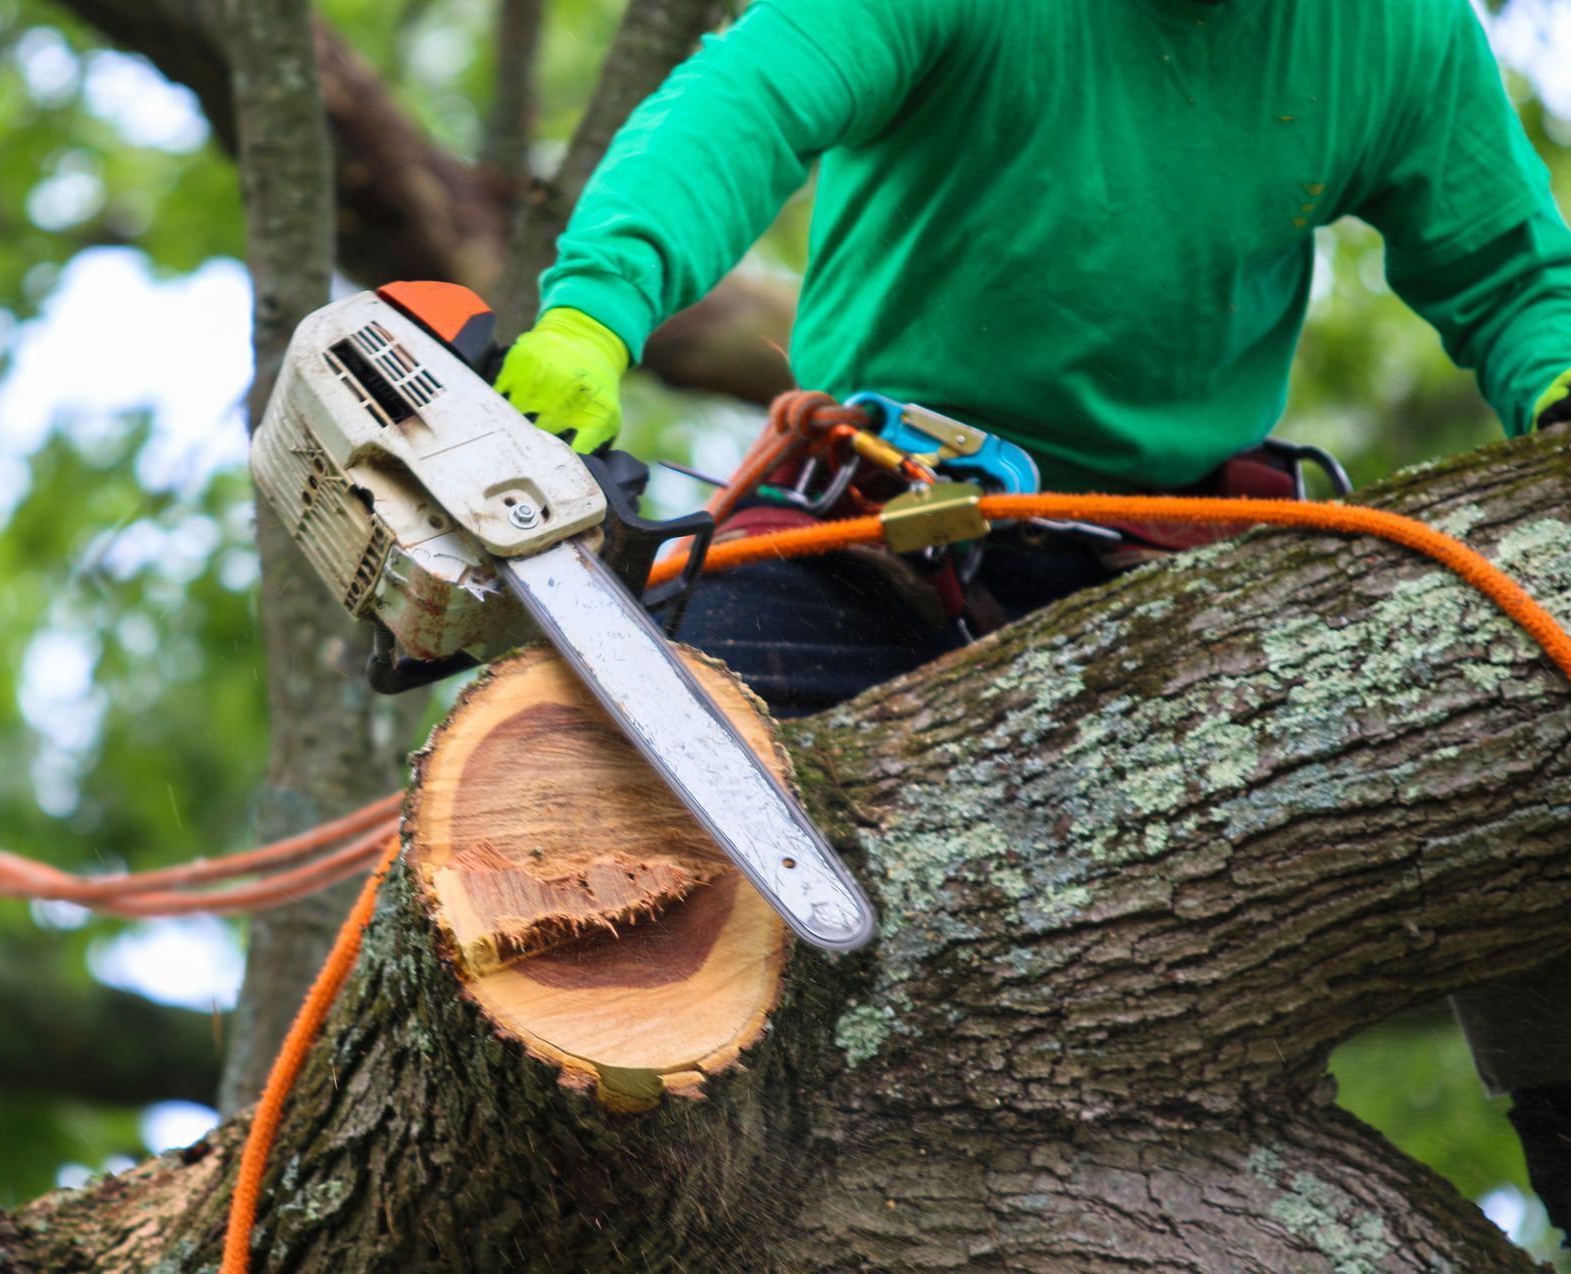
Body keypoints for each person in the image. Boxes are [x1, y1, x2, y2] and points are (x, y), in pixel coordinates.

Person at [494, 0, 1571, 1238]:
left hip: (1184, 590)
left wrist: (1557, 377)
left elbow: (1509, 269)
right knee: (616, 818)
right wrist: (597, 307)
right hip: (864, 548)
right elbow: (745, 102)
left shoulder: (1390, 31)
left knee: (1516, 715)